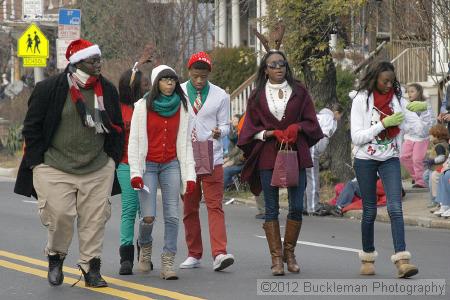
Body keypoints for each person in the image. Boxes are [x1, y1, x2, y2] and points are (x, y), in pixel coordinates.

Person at [14, 39, 124, 287]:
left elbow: (117, 128)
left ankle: (91, 267)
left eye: (99, 59)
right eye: (92, 60)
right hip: (54, 166)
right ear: (77, 63)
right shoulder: (49, 89)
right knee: (60, 215)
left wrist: (111, 161)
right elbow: (32, 128)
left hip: (96, 167)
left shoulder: (106, 90)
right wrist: (36, 163)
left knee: (94, 221)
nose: (98, 64)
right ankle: (56, 257)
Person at [238, 49, 323, 276]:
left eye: (282, 64)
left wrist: (298, 127)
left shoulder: (299, 91)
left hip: (295, 153)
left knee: (296, 206)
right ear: (265, 70)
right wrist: (268, 134)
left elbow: (312, 123)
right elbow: (249, 130)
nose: (278, 68)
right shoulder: (256, 96)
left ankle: (290, 253)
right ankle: (276, 259)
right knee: (271, 208)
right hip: (269, 155)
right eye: (273, 65)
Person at [350, 61, 418, 278]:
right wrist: (383, 124)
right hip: (365, 159)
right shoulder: (361, 100)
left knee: (395, 208)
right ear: (375, 79)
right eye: (385, 81)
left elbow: (416, 129)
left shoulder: (398, 100)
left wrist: (419, 113)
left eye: (392, 81)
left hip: (390, 158)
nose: (389, 85)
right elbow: (356, 137)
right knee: (369, 210)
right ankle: (367, 258)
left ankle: (402, 261)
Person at [128, 65, 196, 280]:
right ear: (157, 82)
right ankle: (145, 245)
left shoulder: (184, 107)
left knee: (173, 215)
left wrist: (190, 176)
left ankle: (168, 260)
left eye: (173, 80)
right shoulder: (142, 106)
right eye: (165, 80)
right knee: (148, 217)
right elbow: (135, 142)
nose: (170, 83)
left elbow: (185, 144)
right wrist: (135, 173)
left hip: (171, 164)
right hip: (148, 164)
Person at [179, 51, 235, 271]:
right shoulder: (180, 91)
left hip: (212, 157)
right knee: (189, 208)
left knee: (215, 206)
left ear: (209, 73)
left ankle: (220, 253)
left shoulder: (220, 95)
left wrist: (219, 131)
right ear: (189, 72)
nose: (199, 80)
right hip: (187, 157)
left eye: (203, 76)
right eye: (195, 76)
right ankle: (194, 254)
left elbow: (226, 125)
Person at [116, 64, 150, 275]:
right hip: (126, 164)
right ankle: (126, 258)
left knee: (146, 214)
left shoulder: (149, 105)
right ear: (134, 87)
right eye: (144, 83)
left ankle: (144, 253)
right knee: (129, 210)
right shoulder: (119, 107)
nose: (148, 86)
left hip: (149, 166)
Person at [304, 103, 343, 215]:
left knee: (305, 179)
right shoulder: (329, 119)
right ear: (336, 113)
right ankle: (313, 207)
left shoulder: (319, 115)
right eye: (340, 115)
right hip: (312, 150)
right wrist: (319, 153)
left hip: (305, 148)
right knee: (313, 179)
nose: (340, 118)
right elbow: (324, 138)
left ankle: (304, 205)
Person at [399, 83, 435, 188]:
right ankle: (418, 176)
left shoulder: (426, 104)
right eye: (408, 92)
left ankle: (421, 181)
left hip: (422, 138)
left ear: (419, 92)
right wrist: (408, 128)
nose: (409, 94)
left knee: (417, 159)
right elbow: (403, 120)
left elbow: (431, 120)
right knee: (403, 157)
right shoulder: (406, 106)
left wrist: (426, 130)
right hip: (409, 136)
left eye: (412, 91)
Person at [423, 124, 450, 211]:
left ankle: (436, 201)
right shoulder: (440, 144)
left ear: (437, 135)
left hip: (437, 168)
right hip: (433, 167)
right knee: (426, 177)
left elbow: (441, 157)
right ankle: (435, 199)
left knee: (432, 182)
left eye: (431, 134)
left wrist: (432, 161)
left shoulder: (440, 145)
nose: (429, 136)